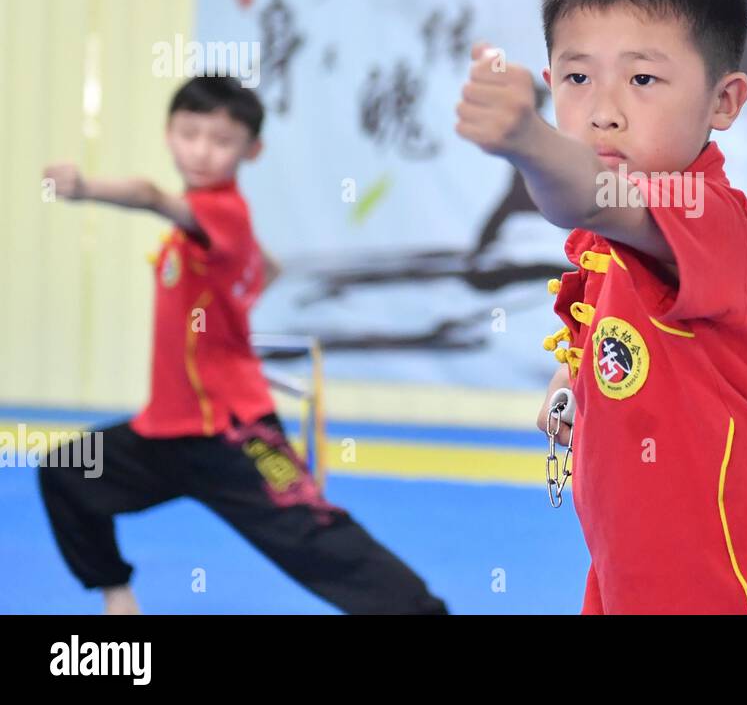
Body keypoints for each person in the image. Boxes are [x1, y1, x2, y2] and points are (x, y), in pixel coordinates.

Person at [455, 0, 747, 614]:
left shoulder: (707, 212)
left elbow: (588, 193)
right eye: (578, 78)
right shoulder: (606, 241)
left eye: (643, 78)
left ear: (724, 101)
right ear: (552, 78)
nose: (604, 112)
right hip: (634, 582)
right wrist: (573, 380)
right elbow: (611, 312)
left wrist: (528, 139)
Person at [39, 75, 447, 615]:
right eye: (190, 133)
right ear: (169, 134)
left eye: (222, 140)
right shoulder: (209, 233)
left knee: (318, 540)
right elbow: (266, 268)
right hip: (163, 434)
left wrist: (86, 187)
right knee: (67, 471)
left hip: (233, 434)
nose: (203, 151)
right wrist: (230, 320)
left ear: (251, 150)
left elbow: (149, 195)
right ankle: (117, 597)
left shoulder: (221, 212)